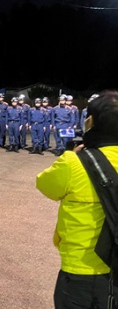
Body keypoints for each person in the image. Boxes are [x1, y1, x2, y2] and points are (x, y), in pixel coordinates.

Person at [36, 90, 118, 309]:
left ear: (91, 123)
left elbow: (44, 184)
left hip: (79, 271)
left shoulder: (74, 163)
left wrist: (70, 154)